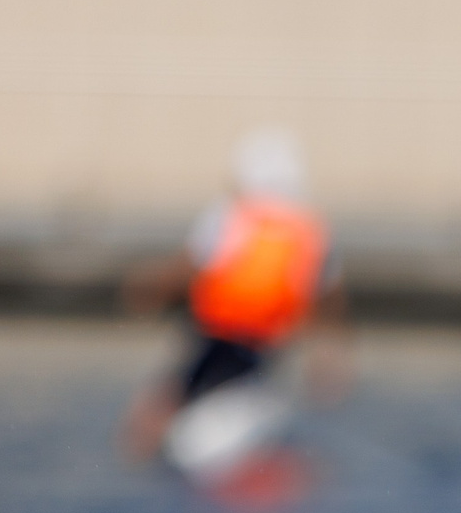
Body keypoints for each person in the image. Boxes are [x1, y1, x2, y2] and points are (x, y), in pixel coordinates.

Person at [118, 128, 350, 470]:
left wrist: (147, 290)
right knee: (234, 402)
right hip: (266, 345)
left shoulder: (231, 214)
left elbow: (188, 268)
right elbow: (329, 298)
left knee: (156, 409)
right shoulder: (310, 229)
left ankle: (141, 460)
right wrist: (330, 358)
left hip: (216, 335)